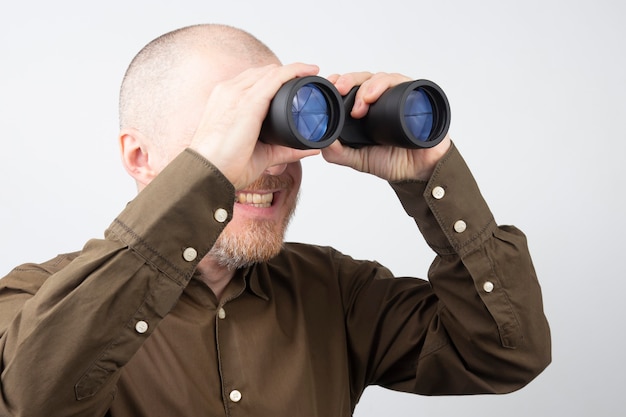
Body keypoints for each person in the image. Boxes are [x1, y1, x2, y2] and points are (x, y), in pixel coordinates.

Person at [0, 24, 551, 417]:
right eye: (235, 132)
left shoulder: (334, 291)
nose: (268, 165)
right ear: (139, 156)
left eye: (277, 129)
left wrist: (429, 178)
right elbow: (34, 398)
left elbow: (506, 355)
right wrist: (207, 177)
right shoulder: (32, 298)